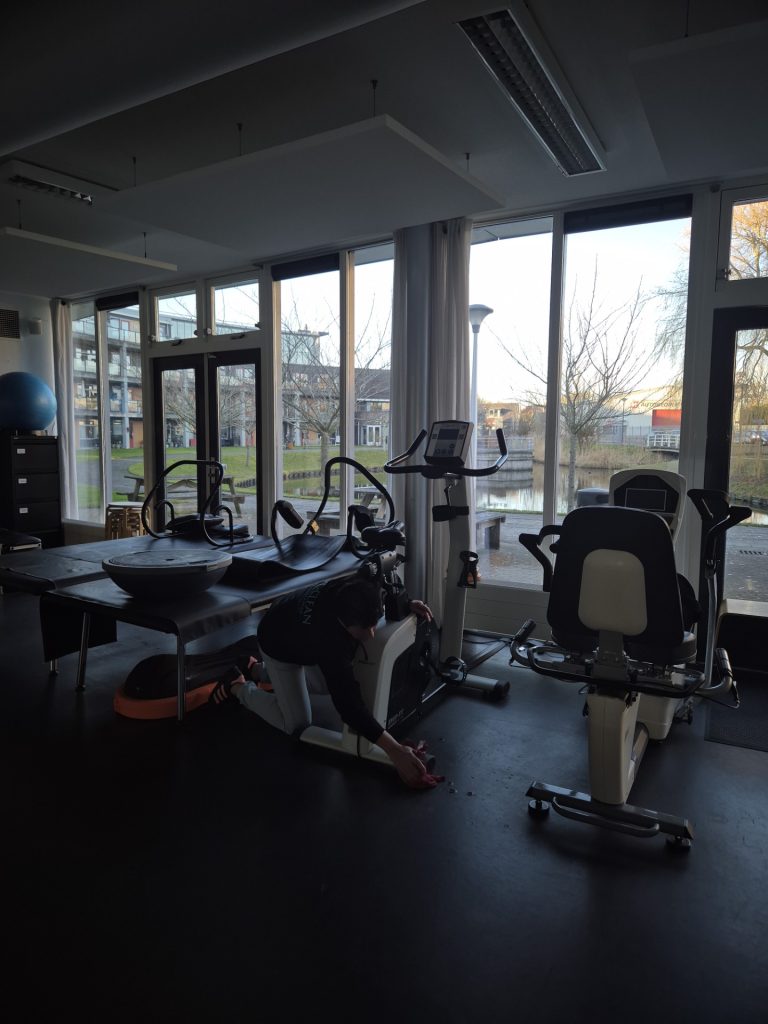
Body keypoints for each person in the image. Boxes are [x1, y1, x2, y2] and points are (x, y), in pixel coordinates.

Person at [209, 575, 437, 788]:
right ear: (344, 623)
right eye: (364, 628)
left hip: (293, 624)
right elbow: (349, 708)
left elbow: (385, 590)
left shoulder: (364, 588)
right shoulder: (330, 642)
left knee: (327, 684)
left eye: (373, 623)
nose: (371, 634)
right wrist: (395, 750)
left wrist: (406, 603)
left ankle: (256, 670)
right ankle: (237, 686)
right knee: (296, 723)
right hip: (276, 641)